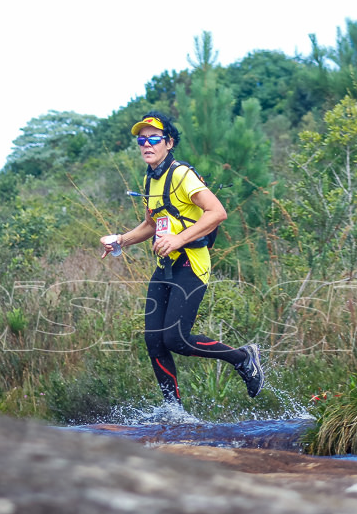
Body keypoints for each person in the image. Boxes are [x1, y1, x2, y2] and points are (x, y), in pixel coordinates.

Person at [100, 111, 264, 408]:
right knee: (154, 343)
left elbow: (217, 213)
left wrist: (178, 238)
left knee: (177, 339)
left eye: (154, 138)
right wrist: (120, 240)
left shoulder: (181, 174)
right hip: (165, 267)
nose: (146, 144)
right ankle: (174, 412)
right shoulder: (151, 180)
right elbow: (152, 224)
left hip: (192, 263)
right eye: (141, 139)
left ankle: (243, 358)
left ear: (169, 142)